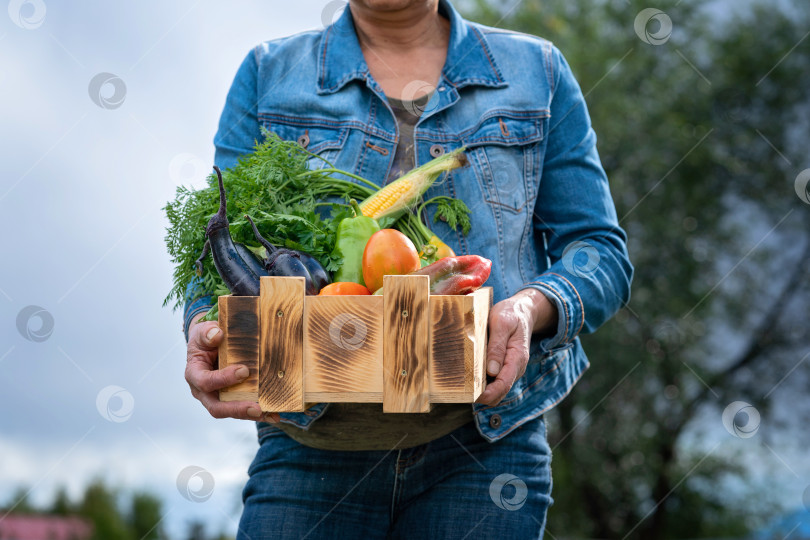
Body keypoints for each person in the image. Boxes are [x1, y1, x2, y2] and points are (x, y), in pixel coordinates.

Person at [183, 0, 633, 538]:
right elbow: (218, 240)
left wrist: (529, 307)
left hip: (484, 446)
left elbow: (598, 250)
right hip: (309, 446)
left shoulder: (537, 73)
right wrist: (204, 326)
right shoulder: (270, 73)